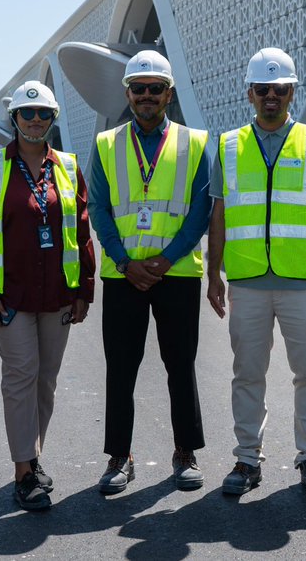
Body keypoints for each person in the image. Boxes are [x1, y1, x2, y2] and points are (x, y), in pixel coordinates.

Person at [206, 47, 306, 498]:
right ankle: (247, 459)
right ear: (249, 93)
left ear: (292, 93)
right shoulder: (228, 146)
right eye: (263, 88)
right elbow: (218, 215)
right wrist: (213, 274)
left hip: (303, 283)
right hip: (247, 281)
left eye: (280, 89)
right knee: (247, 374)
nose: (271, 95)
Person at [0, 81, 95, 511]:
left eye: (43, 114)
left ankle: (33, 457)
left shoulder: (68, 167)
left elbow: (82, 230)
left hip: (57, 293)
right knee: (21, 374)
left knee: (46, 379)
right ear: (14, 118)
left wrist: (84, 289)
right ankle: (23, 470)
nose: (35, 120)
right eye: (27, 113)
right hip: (11, 294)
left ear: (53, 119)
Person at [88, 50, 211, 493]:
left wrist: (165, 260)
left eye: (155, 88)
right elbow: (98, 208)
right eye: (138, 88)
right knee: (121, 368)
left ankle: (185, 451)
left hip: (176, 274)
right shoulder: (106, 144)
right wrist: (125, 262)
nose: (146, 95)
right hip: (124, 275)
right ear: (127, 93)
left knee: (181, 364)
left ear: (168, 94)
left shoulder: (196, 142)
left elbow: (200, 210)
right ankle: (120, 456)